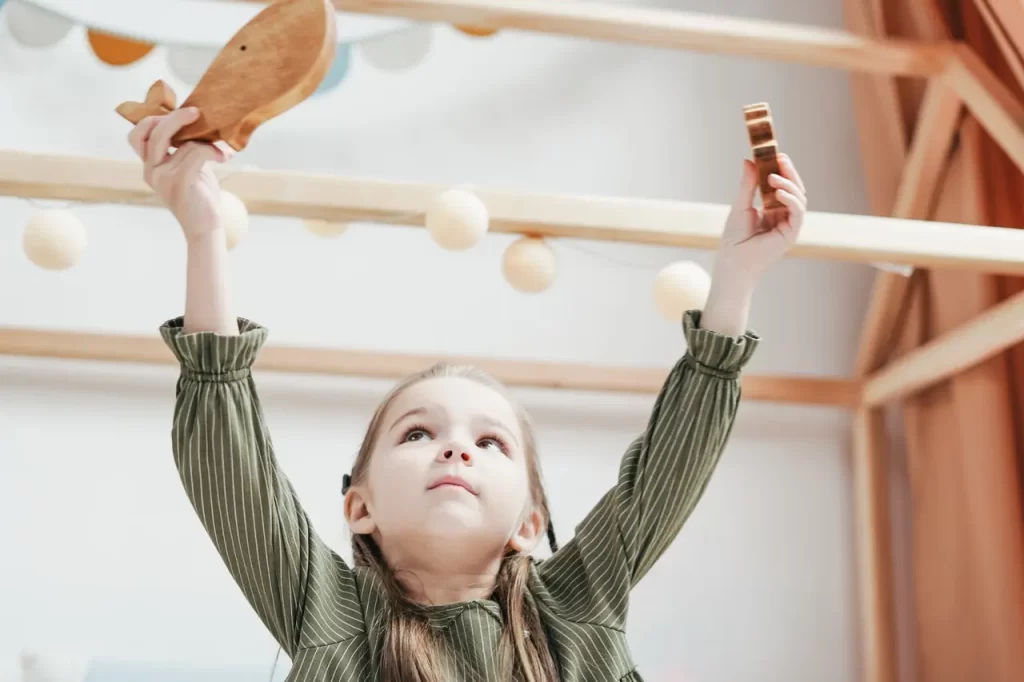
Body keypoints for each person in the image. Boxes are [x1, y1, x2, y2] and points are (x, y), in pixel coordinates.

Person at [129, 107, 806, 681]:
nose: (456, 448)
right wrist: (204, 231)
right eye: (418, 434)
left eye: (489, 442)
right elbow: (228, 455)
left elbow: (666, 472)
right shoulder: (327, 611)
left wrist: (737, 278)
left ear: (528, 525)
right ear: (359, 506)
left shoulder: (573, 610)